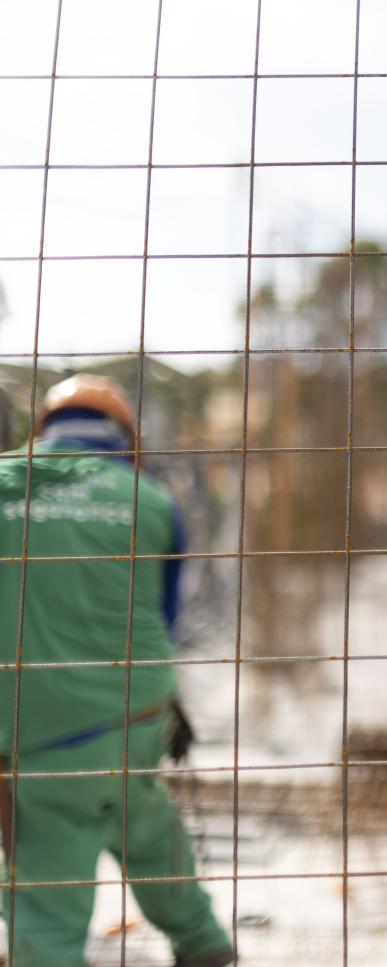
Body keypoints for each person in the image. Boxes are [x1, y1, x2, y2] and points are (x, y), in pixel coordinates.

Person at [0, 376, 235, 967]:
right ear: (126, 437)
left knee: (45, 889)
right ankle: (204, 945)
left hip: (36, 729)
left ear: (44, 428)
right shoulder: (151, 498)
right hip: (139, 712)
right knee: (147, 828)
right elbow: (164, 614)